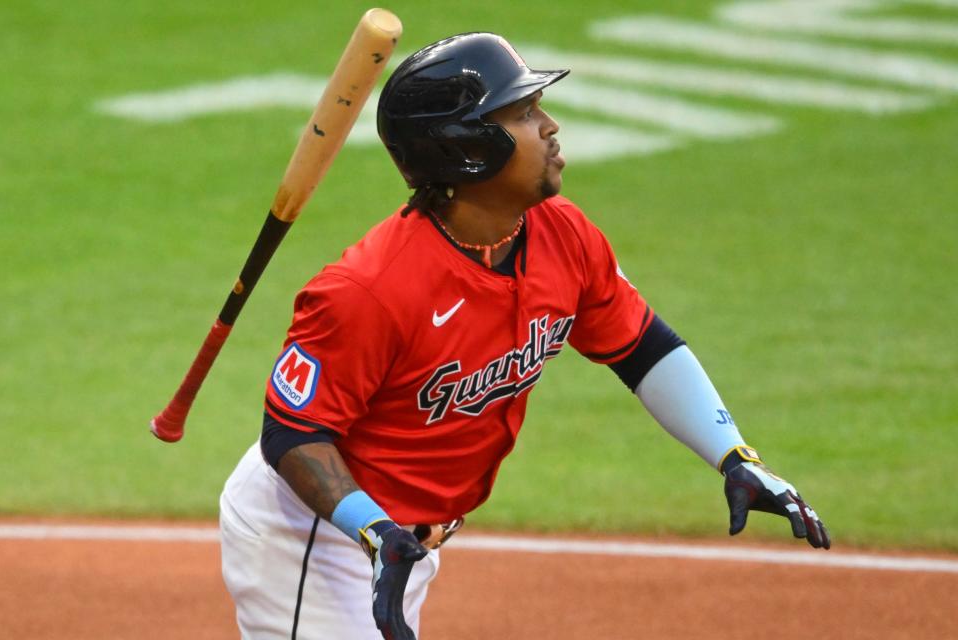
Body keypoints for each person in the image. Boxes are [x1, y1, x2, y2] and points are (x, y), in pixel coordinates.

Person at [218, 31, 830, 640]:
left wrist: (734, 456)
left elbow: (644, 348)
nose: (552, 126)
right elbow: (294, 432)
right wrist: (376, 533)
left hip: (399, 545)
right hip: (317, 537)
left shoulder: (561, 235)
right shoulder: (370, 289)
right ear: (469, 148)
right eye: (526, 113)